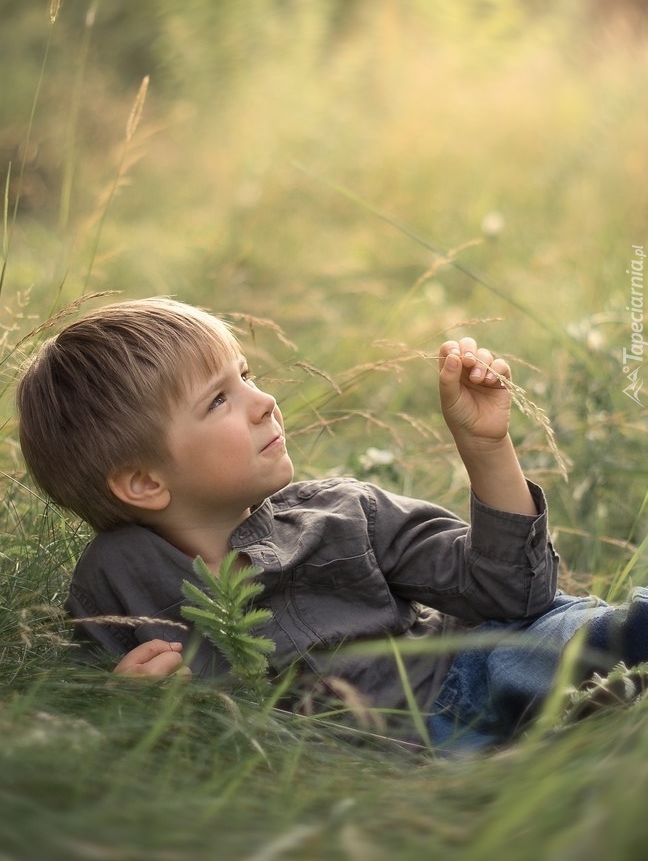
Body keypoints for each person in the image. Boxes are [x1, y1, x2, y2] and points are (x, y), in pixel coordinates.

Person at [15, 298, 648, 752]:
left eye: (247, 377)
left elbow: (515, 594)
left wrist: (485, 448)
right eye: (219, 400)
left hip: (470, 669)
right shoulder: (117, 586)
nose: (264, 403)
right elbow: (114, 721)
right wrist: (130, 708)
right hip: (380, 765)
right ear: (146, 482)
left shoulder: (340, 513)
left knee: (567, 645)